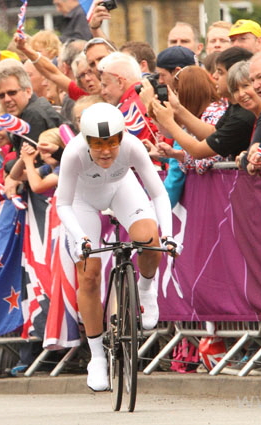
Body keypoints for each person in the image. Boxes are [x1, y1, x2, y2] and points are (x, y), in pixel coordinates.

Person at [56, 103, 177, 392]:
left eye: (112, 143)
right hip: (81, 203)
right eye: (98, 145)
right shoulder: (73, 154)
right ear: (86, 141)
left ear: (121, 137)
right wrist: (82, 239)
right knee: (89, 274)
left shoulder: (133, 146)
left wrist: (170, 235)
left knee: (150, 240)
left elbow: (158, 194)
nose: (106, 151)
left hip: (122, 189)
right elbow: (62, 204)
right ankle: (97, 357)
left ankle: (147, 289)